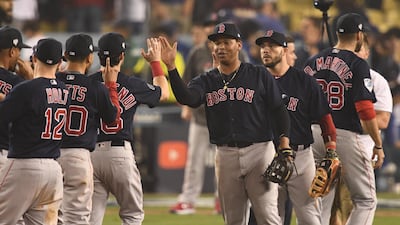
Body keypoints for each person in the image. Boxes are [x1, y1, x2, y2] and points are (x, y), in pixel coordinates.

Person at [160, 21, 292, 225]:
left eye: (226, 42)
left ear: (239, 45)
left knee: (267, 216)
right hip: (225, 154)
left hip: (259, 151)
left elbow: (279, 110)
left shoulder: (258, 75)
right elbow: (188, 98)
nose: (220, 47)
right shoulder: (207, 80)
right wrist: (171, 68)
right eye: (216, 43)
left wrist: (284, 146)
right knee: (233, 219)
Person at [303, 13, 384, 225]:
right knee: (365, 199)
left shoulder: (313, 60)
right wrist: (377, 144)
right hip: (344, 134)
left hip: (313, 134)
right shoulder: (358, 64)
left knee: (319, 197)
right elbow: (365, 109)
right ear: (359, 35)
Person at [256, 30, 336, 225]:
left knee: (309, 216)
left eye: (271, 46)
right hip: (267, 154)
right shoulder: (255, 81)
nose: (266, 50)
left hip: (300, 155)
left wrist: (331, 151)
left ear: (284, 50)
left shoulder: (305, 81)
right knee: (270, 216)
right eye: (263, 47)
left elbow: (324, 118)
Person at [88, 33, 169, 225]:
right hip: (119, 153)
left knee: (90, 218)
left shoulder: (87, 84)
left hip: (89, 154)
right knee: (132, 216)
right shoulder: (132, 84)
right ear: (122, 56)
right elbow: (164, 94)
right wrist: (156, 62)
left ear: (98, 55)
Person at [0, 38, 67, 225]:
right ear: (60, 62)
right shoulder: (64, 90)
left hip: (24, 165)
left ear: (34, 58)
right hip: (53, 169)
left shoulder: (25, 89)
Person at [55, 33, 120, 225]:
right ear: (90, 57)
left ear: (65, 54)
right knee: (77, 218)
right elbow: (112, 120)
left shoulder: (52, 81)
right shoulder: (95, 87)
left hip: (48, 154)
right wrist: (110, 85)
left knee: (49, 216)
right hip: (78, 156)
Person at [329, 33, 393, 225]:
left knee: (351, 207)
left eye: (358, 50)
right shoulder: (331, 75)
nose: (353, 55)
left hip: (358, 152)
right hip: (330, 150)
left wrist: (349, 116)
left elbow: (382, 120)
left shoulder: (377, 81)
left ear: (366, 53)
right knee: (326, 207)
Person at [169, 17, 220, 215]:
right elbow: (187, 81)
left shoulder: (235, 52)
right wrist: (186, 107)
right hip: (200, 117)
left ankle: (222, 200)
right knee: (194, 161)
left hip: (223, 118)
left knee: (224, 162)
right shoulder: (197, 53)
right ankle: (188, 200)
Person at [0, 26, 33, 169]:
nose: (19, 55)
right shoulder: (18, 84)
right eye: (19, 50)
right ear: (12, 51)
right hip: (4, 151)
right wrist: (30, 79)